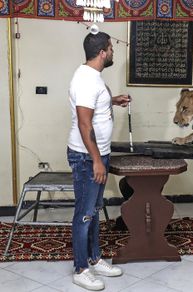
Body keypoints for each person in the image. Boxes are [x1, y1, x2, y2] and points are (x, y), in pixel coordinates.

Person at [67, 26, 130, 291]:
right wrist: (95, 160)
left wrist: (112, 101)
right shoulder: (85, 80)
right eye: (112, 48)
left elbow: (93, 107)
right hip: (86, 157)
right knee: (84, 213)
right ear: (102, 53)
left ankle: (94, 257)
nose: (114, 51)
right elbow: (84, 123)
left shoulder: (93, 77)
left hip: (98, 154)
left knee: (93, 211)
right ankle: (81, 268)